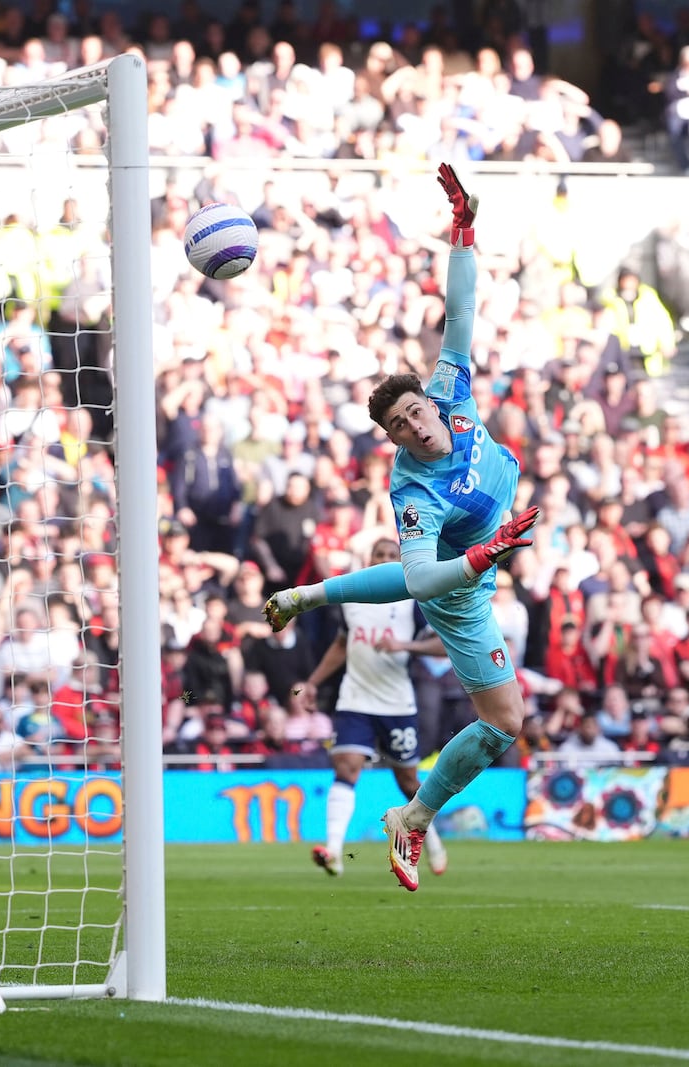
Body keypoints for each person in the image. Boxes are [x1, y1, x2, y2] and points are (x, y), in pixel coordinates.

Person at [262, 165, 538, 891]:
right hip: (460, 586)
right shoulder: (412, 489)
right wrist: (483, 555)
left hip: (490, 547)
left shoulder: (448, 391)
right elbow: (417, 580)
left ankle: (309, 595)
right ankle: (412, 820)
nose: (416, 425)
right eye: (398, 425)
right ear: (390, 437)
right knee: (505, 719)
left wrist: (463, 229)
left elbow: (463, 311)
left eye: (414, 411)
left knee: (506, 718)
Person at [294, 539, 451, 879]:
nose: (384, 560)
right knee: (347, 768)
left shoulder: (414, 602)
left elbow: (444, 644)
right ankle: (334, 850)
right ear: (369, 560)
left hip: (397, 703)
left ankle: (433, 843)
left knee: (408, 782)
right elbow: (342, 643)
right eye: (378, 555)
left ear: (401, 562)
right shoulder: (353, 599)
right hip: (356, 699)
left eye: (391, 556)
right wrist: (314, 681)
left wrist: (404, 645)